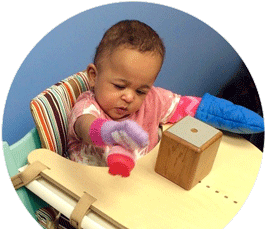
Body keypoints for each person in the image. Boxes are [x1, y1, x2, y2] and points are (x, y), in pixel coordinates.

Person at [67, 20, 264, 177]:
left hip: (141, 185)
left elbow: (188, 107)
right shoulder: (88, 105)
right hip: (90, 189)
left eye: (141, 91)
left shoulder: (152, 100)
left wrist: (233, 116)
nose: (129, 97)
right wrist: (113, 132)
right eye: (119, 86)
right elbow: (86, 127)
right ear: (93, 76)